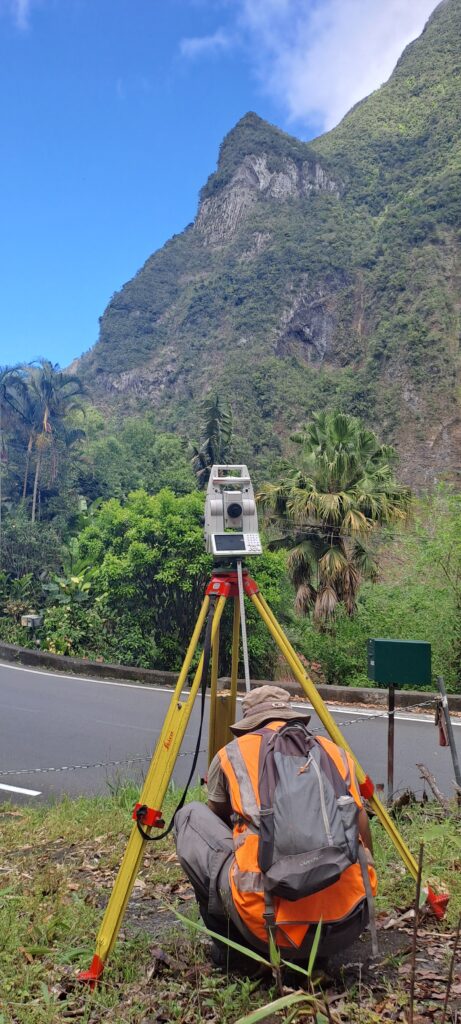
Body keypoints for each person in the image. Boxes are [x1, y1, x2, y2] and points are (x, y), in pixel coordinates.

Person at [174, 685, 377, 963]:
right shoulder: (335, 752)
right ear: (290, 716)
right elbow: (360, 821)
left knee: (190, 816)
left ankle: (234, 954)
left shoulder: (232, 754)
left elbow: (217, 819)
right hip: (350, 920)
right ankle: (319, 946)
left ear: (249, 723)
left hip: (269, 928)